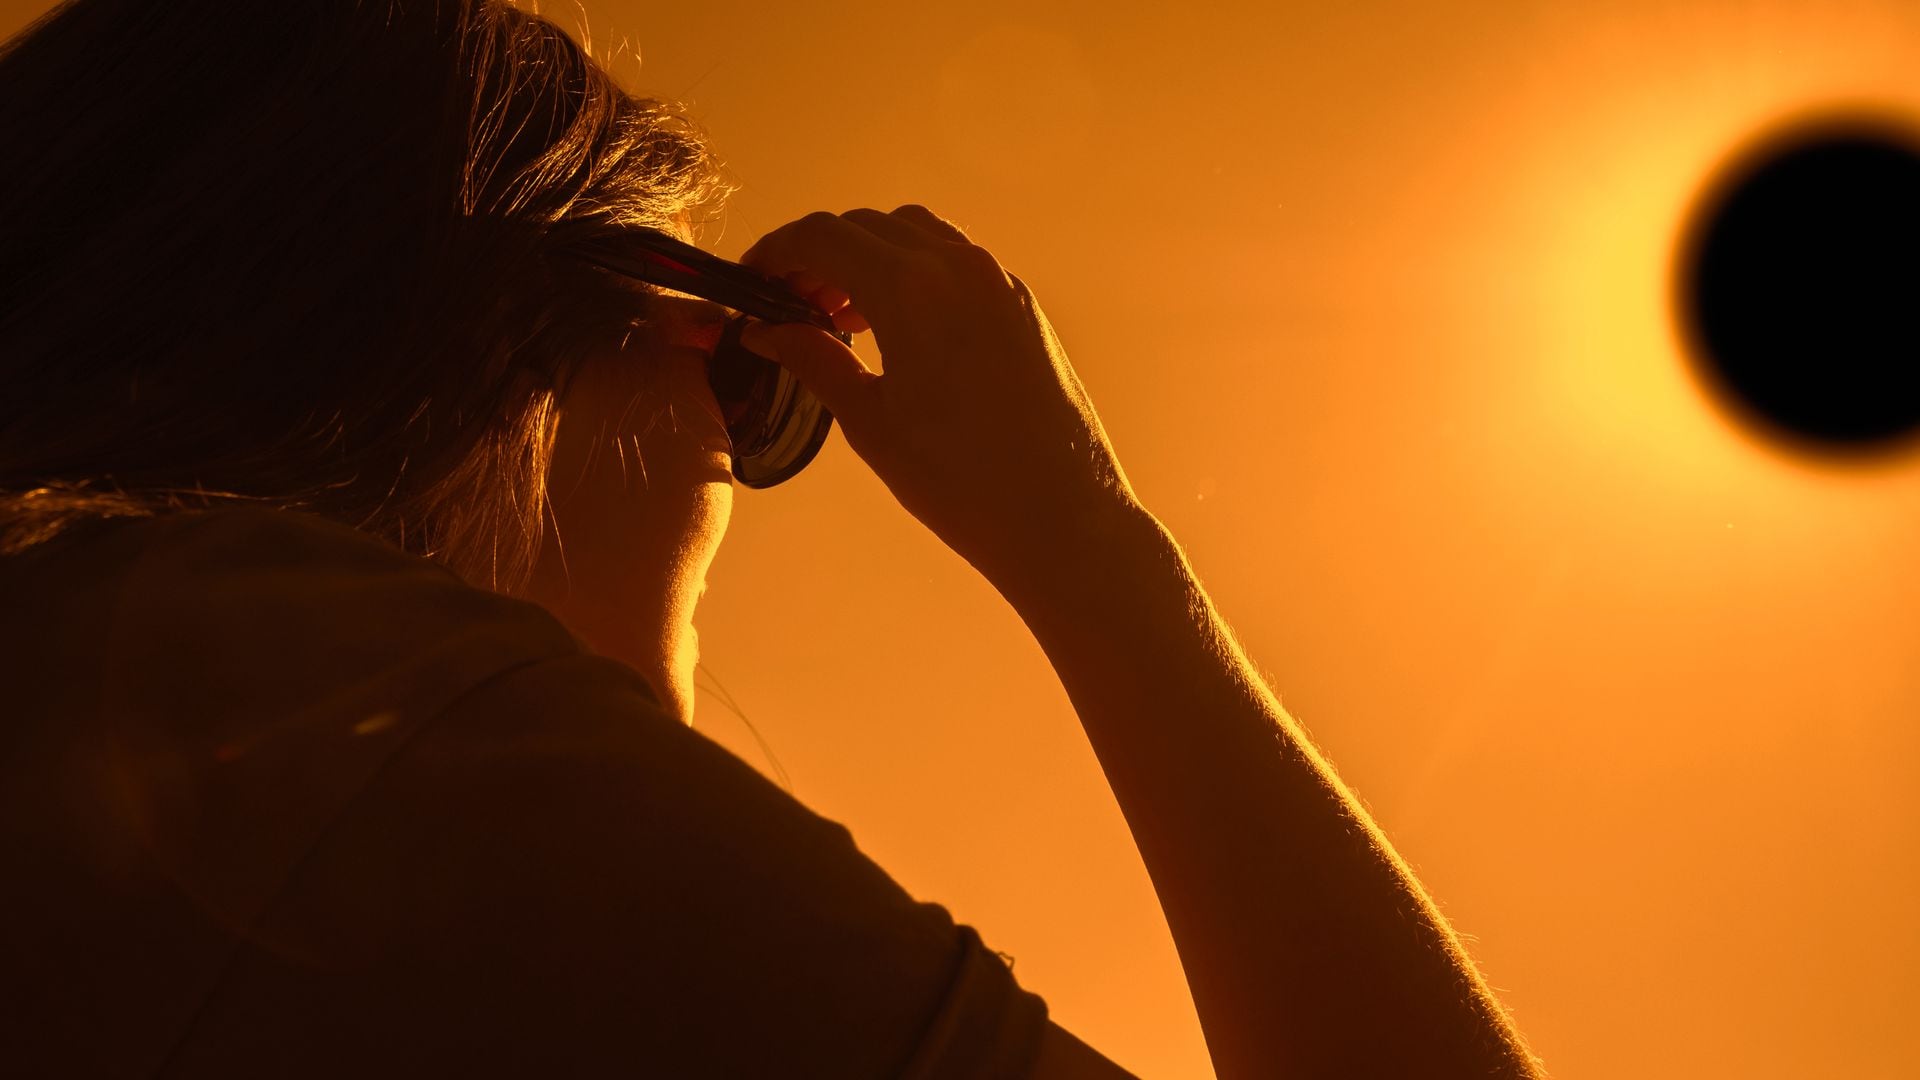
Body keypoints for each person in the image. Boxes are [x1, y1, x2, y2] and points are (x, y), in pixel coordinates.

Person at [0, 1, 1543, 1077]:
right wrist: (1095, 552)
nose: (736, 454)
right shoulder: (375, 731)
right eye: (743, 358)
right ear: (489, 331)